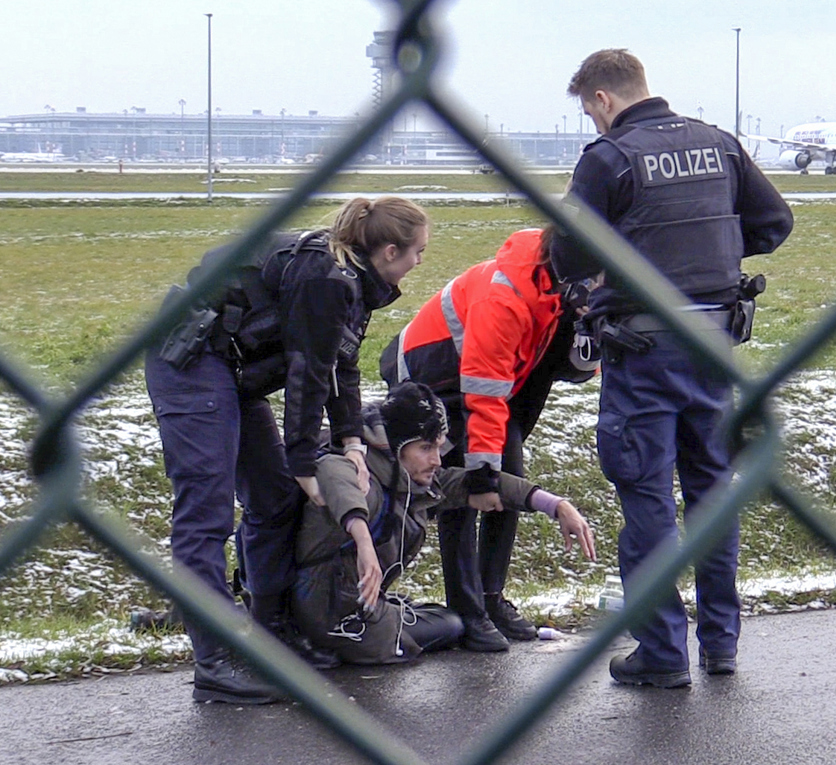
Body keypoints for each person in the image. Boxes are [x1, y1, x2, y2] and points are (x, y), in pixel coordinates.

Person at [550, 49, 794, 688]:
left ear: (603, 99)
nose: (592, 124)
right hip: (715, 344)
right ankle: (721, 644)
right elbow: (774, 223)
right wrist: (711, 253)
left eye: (589, 111)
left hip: (643, 350)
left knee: (648, 498)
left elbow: (565, 250)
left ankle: (662, 654)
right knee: (713, 492)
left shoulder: (609, 158)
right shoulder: (719, 144)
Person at [145, 196, 428, 704]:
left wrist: (351, 443)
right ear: (388, 251)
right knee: (206, 514)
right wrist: (302, 460)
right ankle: (216, 659)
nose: (420, 263)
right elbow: (306, 376)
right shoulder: (326, 279)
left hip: (233, 371)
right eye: (417, 253)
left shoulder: (354, 282)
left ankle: (269, 630)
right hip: (190, 362)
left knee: (273, 498)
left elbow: (341, 365)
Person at [380, 227, 595, 651]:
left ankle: (491, 598)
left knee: (508, 476)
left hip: (489, 383)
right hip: (434, 374)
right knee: (466, 487)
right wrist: (482, 473)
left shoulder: (555, 283)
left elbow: (546, 373)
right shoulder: (505, 296)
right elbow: (483, 392)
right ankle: (467, 607)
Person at [291, 381, 596, 664]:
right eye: (425, 448)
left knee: (445, 619)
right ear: (395, 447)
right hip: (328, 614)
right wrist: (362, 538)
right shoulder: (361, 474)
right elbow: (335, 476)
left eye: (438, 447)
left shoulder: (410, 481)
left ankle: (379, 620)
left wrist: (557, 505)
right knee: (448, 626)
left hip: (350, 605)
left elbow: (478, 484)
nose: (436, 459)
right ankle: (328, 643)